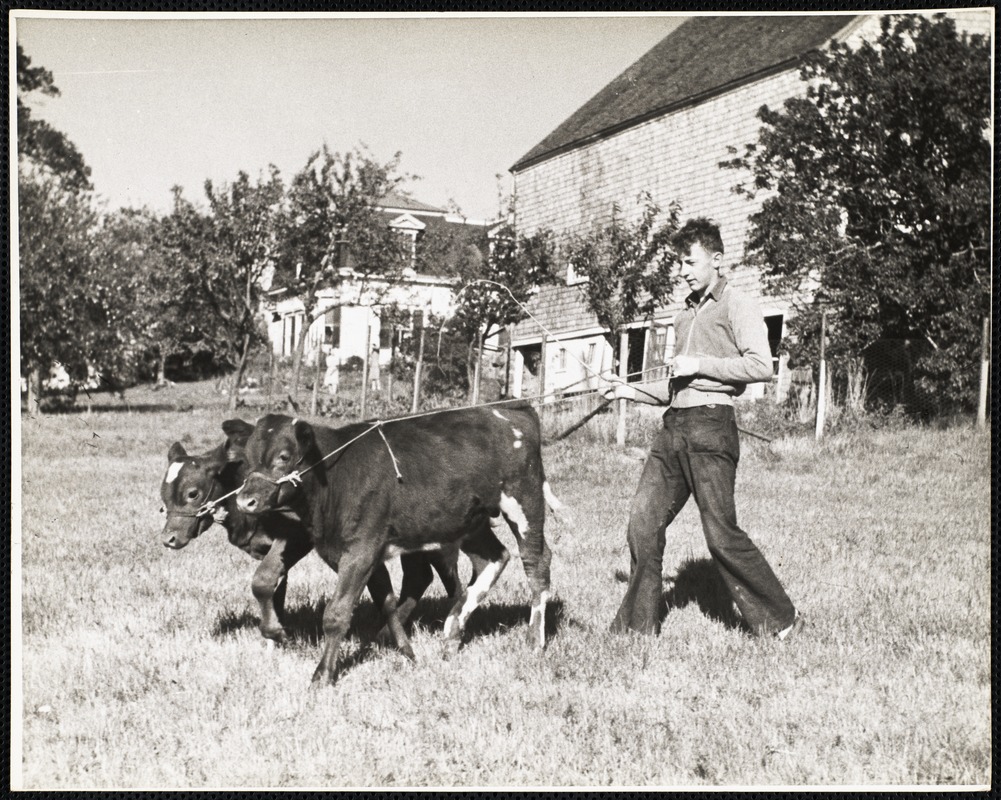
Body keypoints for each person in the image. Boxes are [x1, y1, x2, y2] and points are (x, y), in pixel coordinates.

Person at [604, 217, 803, 640]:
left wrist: (700, 365)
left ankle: (780, 620)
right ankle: (638, 628)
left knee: (720, 534)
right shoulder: (681, 317)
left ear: (716, 259)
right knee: (642, 523)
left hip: (713, 425)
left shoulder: (737, 304)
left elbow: (759, 367)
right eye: (679, 263)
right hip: (672, 429)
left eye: (689, 262)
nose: (682, 271)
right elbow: (676, 386)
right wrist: (627, 390)